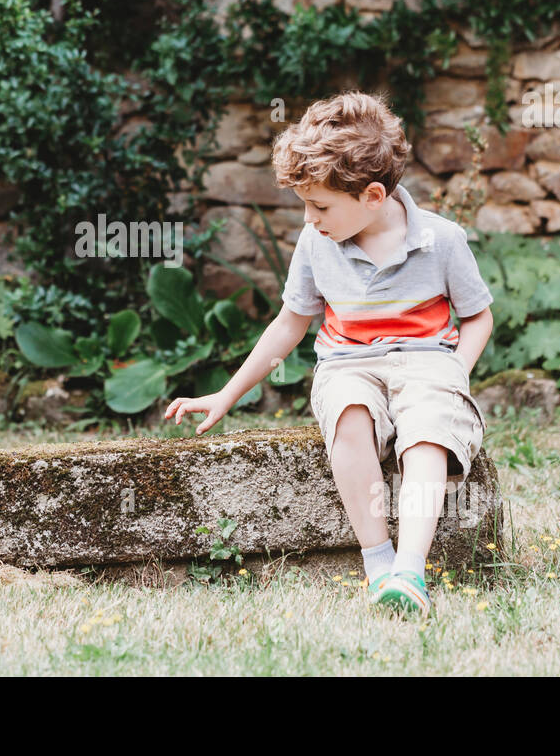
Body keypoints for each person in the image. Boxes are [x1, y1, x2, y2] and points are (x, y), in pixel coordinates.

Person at [163, 90, 494, 618]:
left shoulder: (442, 239)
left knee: (429, 430)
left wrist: (456, 372)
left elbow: (478, 316)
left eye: (319, 206)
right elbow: (290, 323)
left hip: (429, 362)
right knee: (349, 417)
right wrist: (226, 394)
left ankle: (411, 570)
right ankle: (378, 562)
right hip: (348, 363)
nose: (310, 219)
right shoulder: (317, 243)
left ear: (372, 195)